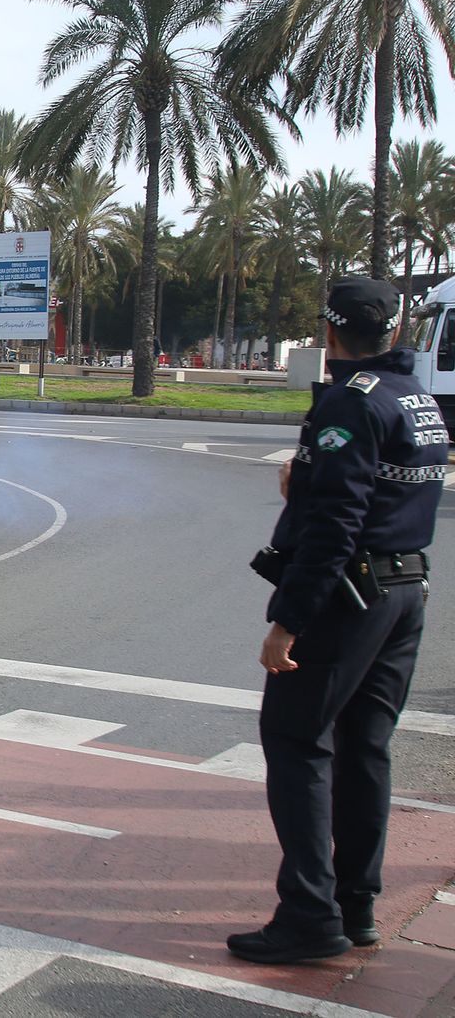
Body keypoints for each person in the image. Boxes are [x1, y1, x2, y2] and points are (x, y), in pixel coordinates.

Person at [228, 276, 447, 965]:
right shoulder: (415, 397)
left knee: (295, 742)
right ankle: (357, 906)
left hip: (348, 598)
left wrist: (288, 621)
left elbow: (337, 523)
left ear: (328, 333)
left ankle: (309, 915)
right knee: (363, 750)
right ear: (394, 328)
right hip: (405, 590)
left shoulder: (351, 404)